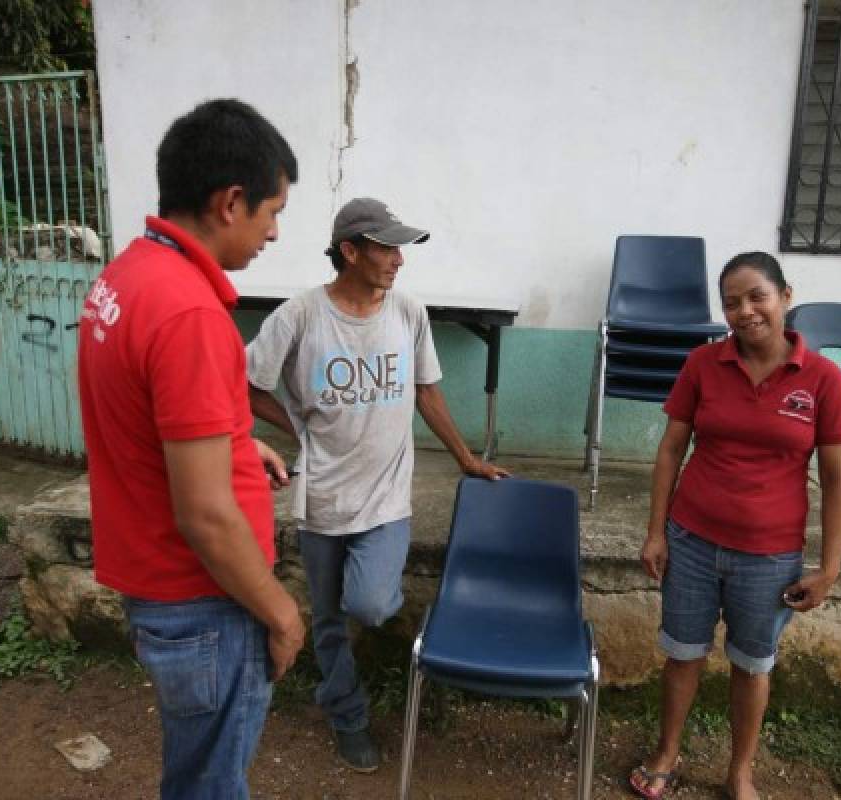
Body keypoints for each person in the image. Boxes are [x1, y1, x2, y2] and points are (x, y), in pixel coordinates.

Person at [77, 98, 305, 799]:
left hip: (163, 587)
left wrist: (239, 447)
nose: (272, 233)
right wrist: (281, 611)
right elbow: (205, 515)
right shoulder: (189, 313)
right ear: (230, 202)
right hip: (205, 601)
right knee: (210, 784)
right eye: (272, 213)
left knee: (197, 772)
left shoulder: (130, 274)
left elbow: (154, 423)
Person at [245, 197, 509, 772]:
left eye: (400, 249)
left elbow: (427, 391)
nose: (398, 260)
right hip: (321, 496)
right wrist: (297, 424)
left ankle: (333, 657)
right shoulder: (301, 316)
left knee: (368, 601)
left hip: (386, 496)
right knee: (330, 620)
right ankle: (347, 713)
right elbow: (247, 384)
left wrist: (466, 458)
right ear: (350, 251)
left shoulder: (407, 313)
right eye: (387, 247)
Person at [629, 252, 841, 800]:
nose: (745, 310)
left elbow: (837, 480)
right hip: (691, 539)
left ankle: (740, 772)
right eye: (732, 302)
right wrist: (656, 531)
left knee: (752, 667)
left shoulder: (822, 380)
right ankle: (667, 753)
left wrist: (829, 568)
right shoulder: (703, 364)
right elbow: (670, 451)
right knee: (682, 653)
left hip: (770, 554)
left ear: (785, 295)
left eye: (757, 295)